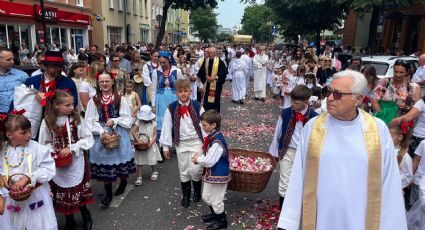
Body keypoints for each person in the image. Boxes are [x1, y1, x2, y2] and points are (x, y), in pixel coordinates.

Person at [278, 70, 407, 230]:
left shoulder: (377, 130)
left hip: (360, 218)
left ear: (358, 99)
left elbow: (389, 181)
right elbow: (298, 175)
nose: (330, 98)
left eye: (338, 94)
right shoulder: (313, 127)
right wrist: (289, 222)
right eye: (329, 92)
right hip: (321, 217)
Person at [38, 90, 95, 230]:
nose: (71, 108)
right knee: (63, 193)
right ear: (56, 105)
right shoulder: (47, 122)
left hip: (76, 161)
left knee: (78, 190)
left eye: (72, 104)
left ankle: (85, 214)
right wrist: (53, 150)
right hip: (58, 164)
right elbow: (43, 143)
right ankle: (69, 220)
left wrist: (72, 148)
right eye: (67, 105)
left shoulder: (77, 119)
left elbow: (87, 138)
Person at [85, 72, 135, 208]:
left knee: (120, 161)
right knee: (106, 165)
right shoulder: (94, 101)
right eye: (102, 82)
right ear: (98, 84)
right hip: (102, 136)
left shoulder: (120, 99)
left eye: (107, 81)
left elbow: (127, 118)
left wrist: (115, 120)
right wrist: (101, 132)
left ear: (112, 82)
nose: (105, 84)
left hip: (118, 134)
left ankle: (123, 181)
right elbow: (90, 121)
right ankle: (108, 192)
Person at [0, 115, 57, 230]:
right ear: (9, 134)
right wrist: (2, 177)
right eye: (23, 132)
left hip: (36, 196)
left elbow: (49, 169)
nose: (29, 135)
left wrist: (28, 178)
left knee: (38, 224)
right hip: (12, 198)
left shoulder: (37, 149)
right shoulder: (2, 150)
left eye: (30, 130)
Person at [269, 85, 318, 210]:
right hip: (287, 151)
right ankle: (283, 210)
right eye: (291, 101)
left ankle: (297, 208)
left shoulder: (315, 117)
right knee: (284, 181)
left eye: (296, 102)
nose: (292, 104)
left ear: (306, 102)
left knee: (301, 181)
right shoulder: (285, 113)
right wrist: (274, 152)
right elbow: (278, 132)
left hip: (305, 153)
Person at [159, 79, 204, 208]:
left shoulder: (197, 106)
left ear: (190, 91)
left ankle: (197, 191)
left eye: (185, 91)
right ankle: (185, 195)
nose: (183, 94)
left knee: (196, 169)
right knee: (184, 170)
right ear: (176, 93)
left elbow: (204, 126)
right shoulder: (171, 108)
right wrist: (165, 147)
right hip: (181, 144)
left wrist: (208, 143)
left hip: (196, 142)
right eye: (180, 91)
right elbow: (167, 127)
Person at [192, 110, 230, 230]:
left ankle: (222, 221)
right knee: (206, 196)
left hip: (219, 174)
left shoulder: (217, 141)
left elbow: (210, 160)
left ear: (213, 125)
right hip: (213, 172)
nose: (202, 127)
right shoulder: (212, 136)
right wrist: (200, 158)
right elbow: (209, 158)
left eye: (204, 125)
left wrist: (198, 159)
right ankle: (215, 214)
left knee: (216, 199)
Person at [371, 59, 421, 124]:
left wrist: (406, 107)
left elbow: (418, 108)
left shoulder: (413, 87)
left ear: (407, 71)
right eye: (396, 71)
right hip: (383, 121)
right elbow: (374, 101)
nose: (398, 74)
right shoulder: (385, 82)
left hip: (404, 124)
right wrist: (382, 118)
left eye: (401, 72)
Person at [151, 51, 184, 140]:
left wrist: (183, 102)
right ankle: (163, 143)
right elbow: (153, 89)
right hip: (160, 99)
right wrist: (153, 105)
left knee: (174, 119)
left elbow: (182, 87)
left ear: (169, 61)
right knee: (162, 122)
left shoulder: (177, 71)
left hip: (173, 98)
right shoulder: (155, 72)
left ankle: (175, 140)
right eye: (160, 62)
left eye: (164, 62)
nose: (162, 64)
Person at [131, 105, 162, 186]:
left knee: (152, 158)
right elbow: (133, 132)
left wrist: (151, 142)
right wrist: (138, 140)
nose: (145, 120)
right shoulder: (139, 122)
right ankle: (139, 176)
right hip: (141, 143)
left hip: (150, 143)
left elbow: (155, 134)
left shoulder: (153, 123)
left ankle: (154, 171)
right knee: (139, 161)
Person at [388, 123, 413, 206]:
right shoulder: (385, 151)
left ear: (400, 137)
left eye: (390, 136)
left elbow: (408, 176)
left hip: (394, 192)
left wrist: (392, 177)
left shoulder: (404, 156)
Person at [197, 47, 228, 112]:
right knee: (206, 101)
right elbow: (201, 72)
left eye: (212, 53)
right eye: (209, 53)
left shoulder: (219, 62)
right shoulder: (206, 61)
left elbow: (223, 73)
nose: (210, 54)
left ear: (215, 53)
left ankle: (215, 115)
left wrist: (215, 77)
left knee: (215, 102)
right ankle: (207, 116)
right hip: (208, 85)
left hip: (216, 86)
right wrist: (206, 77)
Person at [0, 48, 29, 114]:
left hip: (18, 115)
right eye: (8, 59)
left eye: (13, 59)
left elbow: (30, 95)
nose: (12, 62)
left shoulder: (22, 75)